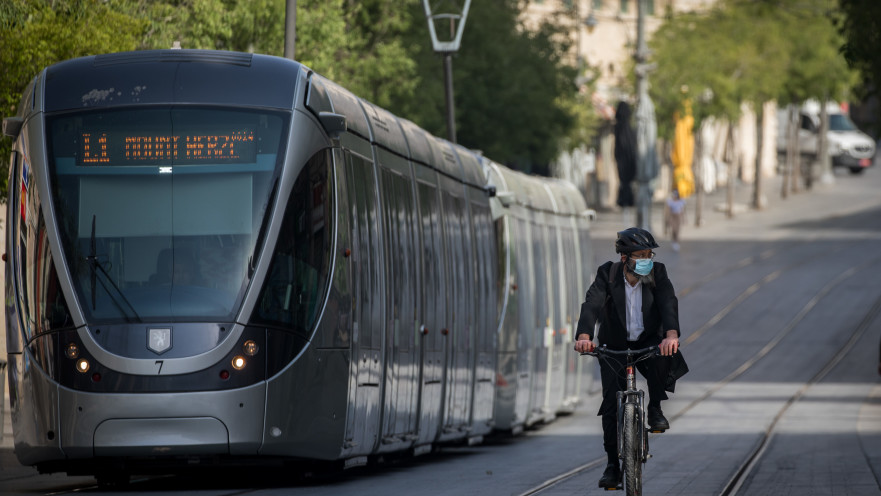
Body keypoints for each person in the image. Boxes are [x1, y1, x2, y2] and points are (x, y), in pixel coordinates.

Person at [573, 227, 688, 489]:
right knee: (611, 407)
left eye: (649, 254)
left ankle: (655, 407)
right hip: (614, 344)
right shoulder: (608, 274)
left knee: (663, 355)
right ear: (624, 258)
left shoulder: (657, 273)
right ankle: (613, 465)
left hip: (648, 340)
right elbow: (592, 304)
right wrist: (584, 336)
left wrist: (671, 335)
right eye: (640, 255)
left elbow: (668, 301)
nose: (647, 259)